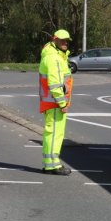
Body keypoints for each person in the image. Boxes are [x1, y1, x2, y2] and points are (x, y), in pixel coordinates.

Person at [39, 29, 74, 175]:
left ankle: (50, 164)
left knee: (53, 134)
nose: (65, 43)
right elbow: (55, 84)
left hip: (52, 102)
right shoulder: (54, 58)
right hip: (55, 103)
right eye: (62, 40)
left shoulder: (54, 55)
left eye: (67, 40)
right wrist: (62, 103)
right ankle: (52, 165)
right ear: (55, 39)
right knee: (54, 134)